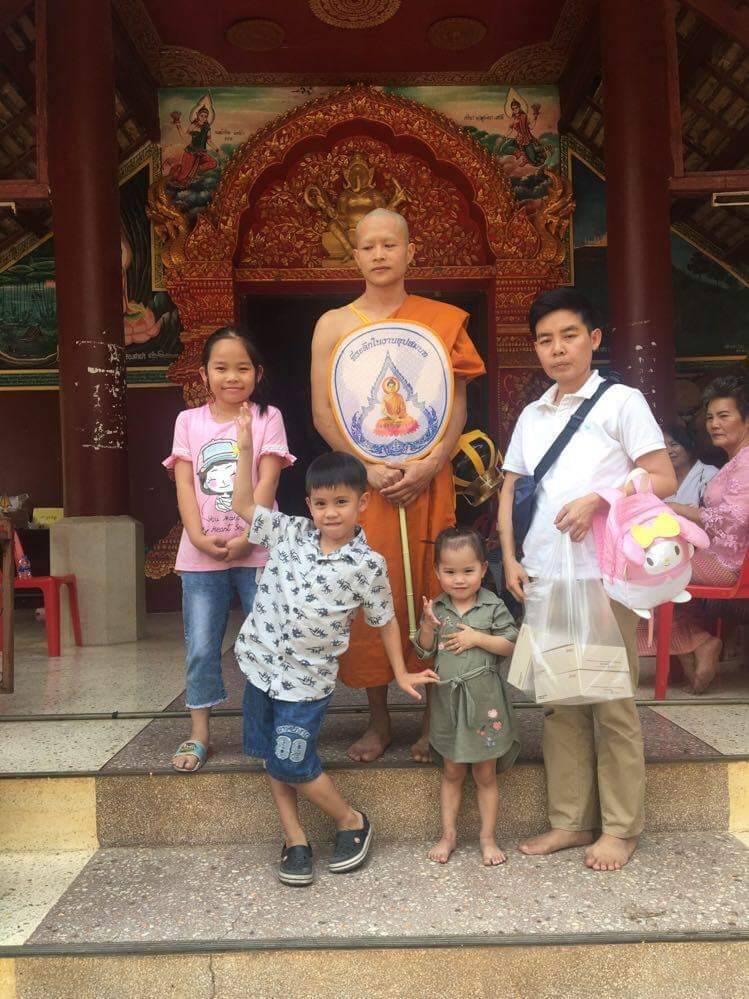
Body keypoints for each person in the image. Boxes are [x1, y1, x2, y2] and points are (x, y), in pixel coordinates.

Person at [497, 288, 675, 872]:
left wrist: (601, 498)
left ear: (594, 339)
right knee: (560, 704)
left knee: (612, 704)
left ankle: (620, 828)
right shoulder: (532, 415)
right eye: (545, 340)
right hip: (546, 575)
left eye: (569, 335)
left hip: (605, 577)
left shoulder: (622, 402)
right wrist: (511, 558)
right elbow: (511, 489)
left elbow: (662, 477)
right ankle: (570, 821)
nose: (557, 349)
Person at [231, 404, 438, 886]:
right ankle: (295, 839)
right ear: (309, 505)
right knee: (273, 756)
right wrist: (244, 447)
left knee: (291, 758)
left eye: (341, 502)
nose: (330, 512)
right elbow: (243, 505)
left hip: (306, 683)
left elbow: (385, 621)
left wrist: (401, 671)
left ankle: (351, 820)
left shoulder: (368, 565)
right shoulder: (289, 533)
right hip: (261, 667)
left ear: (362, 503)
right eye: (321, 503)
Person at [311, 207, 485, 764]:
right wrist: (366, 468)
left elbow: (456, 406)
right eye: (368, 246)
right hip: (369, 484)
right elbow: (324, 413)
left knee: (434, 588)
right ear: (355, 256)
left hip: (426, 478)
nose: (380, 254)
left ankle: (433, 720)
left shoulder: (441, 320)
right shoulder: (333, 325)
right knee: (371, 590)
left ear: (411, 252)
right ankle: (379, 720)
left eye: (390, 244)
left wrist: (431, 464)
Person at [164, 327, 293, 772]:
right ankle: (199, 732)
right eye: (221, 368)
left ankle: (267, 730)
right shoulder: (188, 421)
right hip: (200, 556)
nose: (232, 377)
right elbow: (184, 484)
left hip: (258, 552)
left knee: (269, 642)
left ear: (258, 373)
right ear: (204, 374)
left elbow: (269, 479)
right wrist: (197, 537)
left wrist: (251, 536)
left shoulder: (268, 417)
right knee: (201, 645)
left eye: (242, 368)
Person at [413, 527, 519, 867]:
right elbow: (424, 652)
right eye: (450, 571)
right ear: (437, 571)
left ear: (483, 569)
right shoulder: (438, 608)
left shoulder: (492, 606)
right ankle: (448, 835)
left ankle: (487, 838)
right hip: (448, 703)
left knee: (485, 774)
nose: (459, 579)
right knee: (452, 772)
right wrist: (427, 626)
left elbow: (510, 644)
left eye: (468, 571)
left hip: (484, 702)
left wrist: (477, 638)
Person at [641, 375, 749, 692]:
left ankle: (697, 644)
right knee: (654, 565)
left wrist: (679, 510)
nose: (714, 424)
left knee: (645, 572)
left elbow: (735, 520)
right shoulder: (735, 462)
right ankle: (693, 647)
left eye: (724, 416)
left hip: (731, 565)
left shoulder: (745, 463)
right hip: (723, 559)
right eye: (711, 417)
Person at [663, 423, 718, 507]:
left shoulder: (708, 474)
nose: (668, 451)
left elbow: (715, 512)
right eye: (663, 446)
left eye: (674, 444)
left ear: (688, 446)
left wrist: (677, 508)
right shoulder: (662, 480)